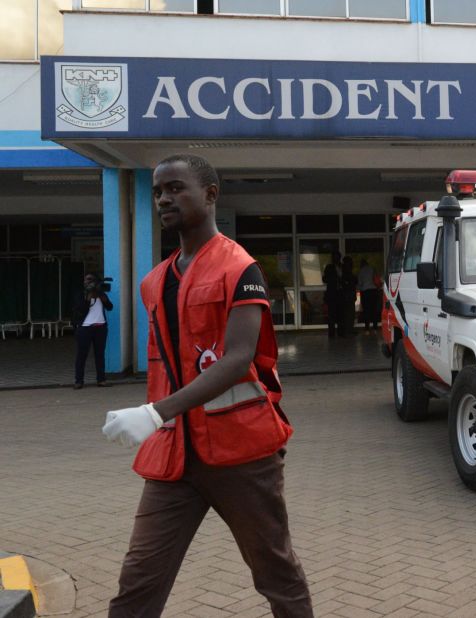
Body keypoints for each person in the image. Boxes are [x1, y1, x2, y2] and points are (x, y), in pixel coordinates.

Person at [101, 154, 313, 617]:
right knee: (138, 579)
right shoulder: (155, 281)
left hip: (241, 454)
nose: (163, 199)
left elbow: (238, 360)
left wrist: (156, 412)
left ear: (210, 195)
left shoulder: (240, 269)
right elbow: (168, 366)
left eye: (175, 188)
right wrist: (159, 418)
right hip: (175, 456)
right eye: (158, 191)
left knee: (276, 573)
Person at [73, 272, 113, 388]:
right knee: (82, 355)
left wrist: (102, 297)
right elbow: (79, 309)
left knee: (100, 355)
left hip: (100, 327)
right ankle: (79, 381)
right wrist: (87, 299)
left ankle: (101, 380)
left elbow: (110, 307)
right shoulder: (81, 294)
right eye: (86, 280)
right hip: (85, 328)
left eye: (90, 280)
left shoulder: (101, 293)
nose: (87, 282)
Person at [357, 258, 381, 333]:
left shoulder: (361, 271)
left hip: (365, 292)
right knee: (374, 309)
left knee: (366, 310)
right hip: (373, 291)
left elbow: (360, 283)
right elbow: (377, 279)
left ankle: (367, 328)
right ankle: (375, 327)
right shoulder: (372, 269)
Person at [323, 252, 342, 338]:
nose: (336, 259)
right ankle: (331, 333)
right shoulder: (329, 267)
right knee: (331, 315)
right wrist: (332, 279)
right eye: (335, 257)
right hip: (331, 294)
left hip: (340, 294)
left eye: (338, 257)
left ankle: (341, 333)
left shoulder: (342, 266)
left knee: (340, 314)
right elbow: (324, 279)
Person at [340, 255, 357, 336]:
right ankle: (348, 331)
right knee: (349, 314)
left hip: (348, 296)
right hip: (348, 297)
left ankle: (349, 330)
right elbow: (349, 283)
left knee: (350, 314)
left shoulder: (345, 272)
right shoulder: (346, 273)